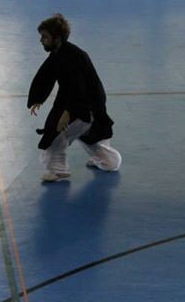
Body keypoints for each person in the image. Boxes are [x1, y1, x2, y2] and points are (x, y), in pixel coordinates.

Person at [27, 14, 121, 182]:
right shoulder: (59, 53)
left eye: (45, 37)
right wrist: (38, 98)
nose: (41, 41)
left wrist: (67, 113)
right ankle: (109, 162)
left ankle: (58, 171)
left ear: (57, 38)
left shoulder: (73, 58)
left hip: (84, 106)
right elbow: (46, 75)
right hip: (85, 105)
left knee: (56, 134)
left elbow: (79, 87)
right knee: (88, 136)